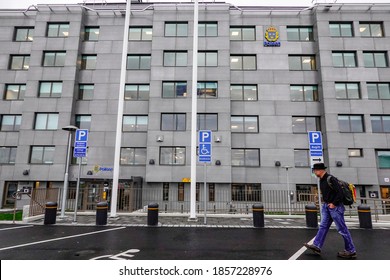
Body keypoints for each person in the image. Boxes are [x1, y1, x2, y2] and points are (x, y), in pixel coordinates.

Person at [304, 162, 357, 259]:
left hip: (335, 207)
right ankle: (317, 246)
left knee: (342, 229)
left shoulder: (331, 179)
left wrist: (334, 203)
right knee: (323, 226)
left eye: (315, 171)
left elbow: (340, 193)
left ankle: (351, 250)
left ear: (319, 170)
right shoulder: (322, 180)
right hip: (327, 206)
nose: (314, 173)